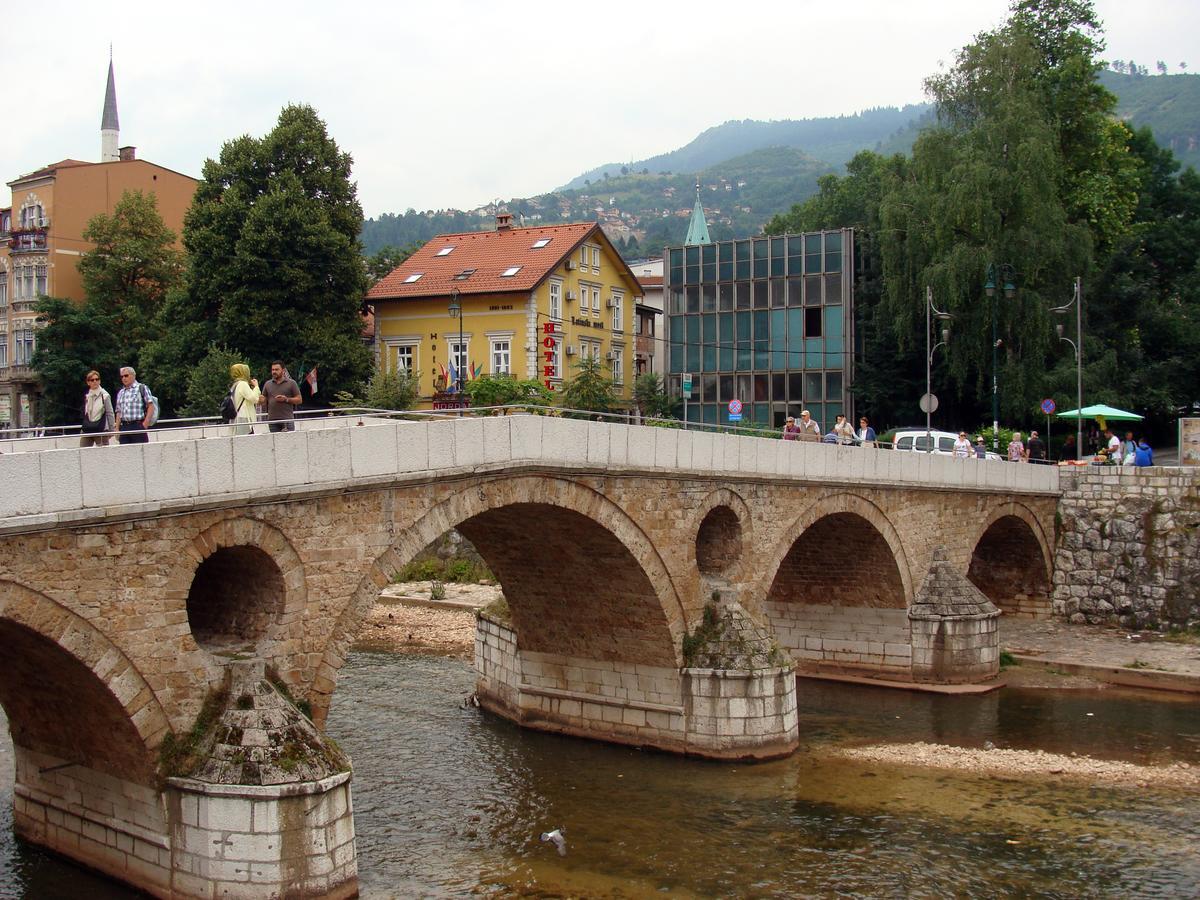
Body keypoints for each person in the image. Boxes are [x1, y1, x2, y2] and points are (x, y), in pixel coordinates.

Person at [114, 366, 156, 445]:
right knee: (125, 454)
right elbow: (118, 411)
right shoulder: (121, 392)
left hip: (138, 425)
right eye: (122, 376)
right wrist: (117, 428)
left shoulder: (142, 388)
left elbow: (151, 406)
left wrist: (145, 424)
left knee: (140, 453)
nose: (124, 378)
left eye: (126, 375)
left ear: (133, 375)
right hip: (124, 427)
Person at [260, 360, 302, 433]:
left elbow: (299, 400)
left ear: (283, 370)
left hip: (287, 420)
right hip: (272, 420)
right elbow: (263, 401)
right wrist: (261, 400)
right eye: (272, 370)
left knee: (288, 442)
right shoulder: (267, 384)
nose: (274, 372)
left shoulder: (291, 383)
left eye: (276, 369)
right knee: (275, 443)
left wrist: (286, 399)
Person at [79, 370, 114, 448]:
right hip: (88, 429)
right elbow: (86, 413)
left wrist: (111, 430)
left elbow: (110, 413)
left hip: (101, 429)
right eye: (92, 380)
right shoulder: (88, 396)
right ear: (88, 382)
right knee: (82, 451)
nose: (95, 381)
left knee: (103, 454)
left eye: (97, 379)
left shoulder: (105, 395)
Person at [228, 364, 261, 435]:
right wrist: (256, 387)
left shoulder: (234, 385)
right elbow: (254, 399)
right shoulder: (243, 384)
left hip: (237, 417)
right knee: (247, 441)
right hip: (244, 417)